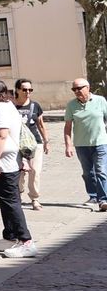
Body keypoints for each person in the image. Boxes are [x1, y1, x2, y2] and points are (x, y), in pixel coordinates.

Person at [0, 80, 36, 258]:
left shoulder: (1, 109)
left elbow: (2, 134)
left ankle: (25, 240)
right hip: (5, 161)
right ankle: (10, 236)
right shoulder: (6, 107)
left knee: (11, 201)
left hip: (5, 163)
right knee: (5, 200)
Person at [62, 77, 107, 211]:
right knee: (88, 173)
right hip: (81, 144)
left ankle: (103, 200)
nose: (76, 91)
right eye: (74, 89)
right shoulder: (71, 105)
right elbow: (68, 127)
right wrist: (68, 145)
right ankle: (93, 195)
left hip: (100, 143)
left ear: (88, 88)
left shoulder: (100, 101)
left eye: (79, 88)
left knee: (101, 171)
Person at [13, 78, 48, 210]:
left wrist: (46, 141)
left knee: (34, 171)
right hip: (16, 144)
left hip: (34, 144)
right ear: (17, 90)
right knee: (19, 172)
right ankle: (18, 195)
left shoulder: (35, 106)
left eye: (30, 89)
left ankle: (35, 198)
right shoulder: (11, 106)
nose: (28, 92)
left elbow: (41, 124)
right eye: (24, 89)